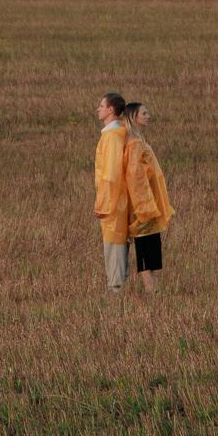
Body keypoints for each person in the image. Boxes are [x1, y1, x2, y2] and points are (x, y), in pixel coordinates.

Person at [122, 101, 174, 292]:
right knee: (144, 245)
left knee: (152, 246)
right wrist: (143, 206)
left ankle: (154, 288)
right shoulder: (134, 144)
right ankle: (150, 288)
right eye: (144, 113)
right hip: (143, 207)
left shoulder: (139, 140)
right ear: (134, 117)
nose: (148, 116)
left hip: (150, 202)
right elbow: (135, 177)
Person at [94, 91, 131, 291]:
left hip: (114, 200)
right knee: (117, 242)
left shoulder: (113, 136)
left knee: (114, 243)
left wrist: (103, 201)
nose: (98, 109)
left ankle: (116, 288)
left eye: (101, 106)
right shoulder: (119, 133)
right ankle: (118, 284)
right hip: (119, 198)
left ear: (111, 110)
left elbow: (111, 174)